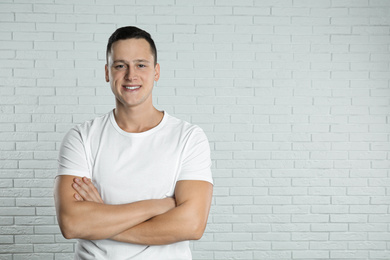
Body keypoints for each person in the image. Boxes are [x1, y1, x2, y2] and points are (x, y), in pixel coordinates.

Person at [54, 26, 213, 260]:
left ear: (156, 71)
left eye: (141, 65)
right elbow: (72, 224)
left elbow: (191, 225)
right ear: (107, 72)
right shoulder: (81, 137)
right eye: (120, 65)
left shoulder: (189, 137)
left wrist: (101, 220)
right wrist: (158, 206)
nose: (131, 75)